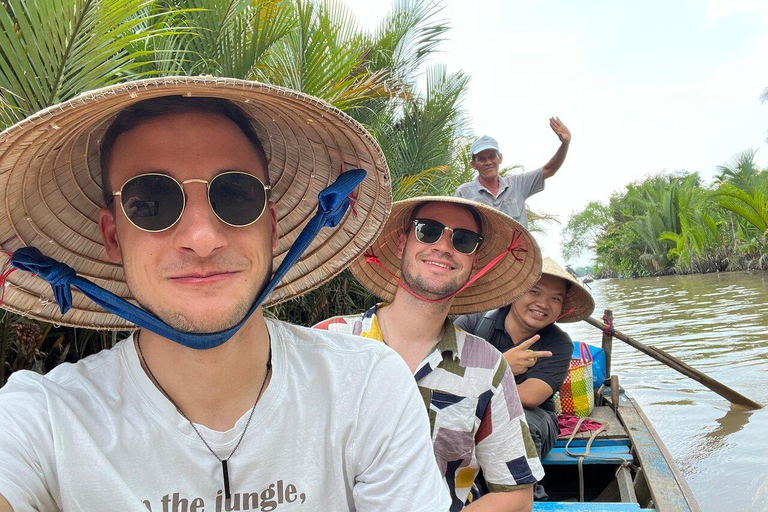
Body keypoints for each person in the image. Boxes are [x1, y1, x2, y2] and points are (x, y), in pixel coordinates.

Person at [0, 77, 450, 511]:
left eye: (235, 196)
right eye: (150, 203)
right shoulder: (45, 421)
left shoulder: (365, 388)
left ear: (272, 227)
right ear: (113, 236)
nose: (201, 237)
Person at [315, 196, 545, 512]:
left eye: (463, 240)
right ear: (402, 244)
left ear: (474, 263)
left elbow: (517, 495)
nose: (444, 246)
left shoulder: (488, 368)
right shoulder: (327, 344)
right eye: (428, 230)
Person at [455, 258, 595, 464]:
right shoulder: (471, 323)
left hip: (533, 419)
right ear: (515, 292)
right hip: (468, 410)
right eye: (535, 292)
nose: (543, 304)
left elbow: (530, 397)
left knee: (517, 423)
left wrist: (477, 378)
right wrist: (501, 366)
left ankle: (529, 493)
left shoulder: (558, 343)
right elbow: (441, 377)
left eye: (555, 299)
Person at [454, 118, 571, 229]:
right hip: (483, 250)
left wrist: (565, 144)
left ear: (500, 158)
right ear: (473, 164)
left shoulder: (517, 184)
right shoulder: (463, 193)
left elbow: (549, 170)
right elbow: (456, 224)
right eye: (481, 159)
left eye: (492, 156)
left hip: (519, 250)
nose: (488, 162)